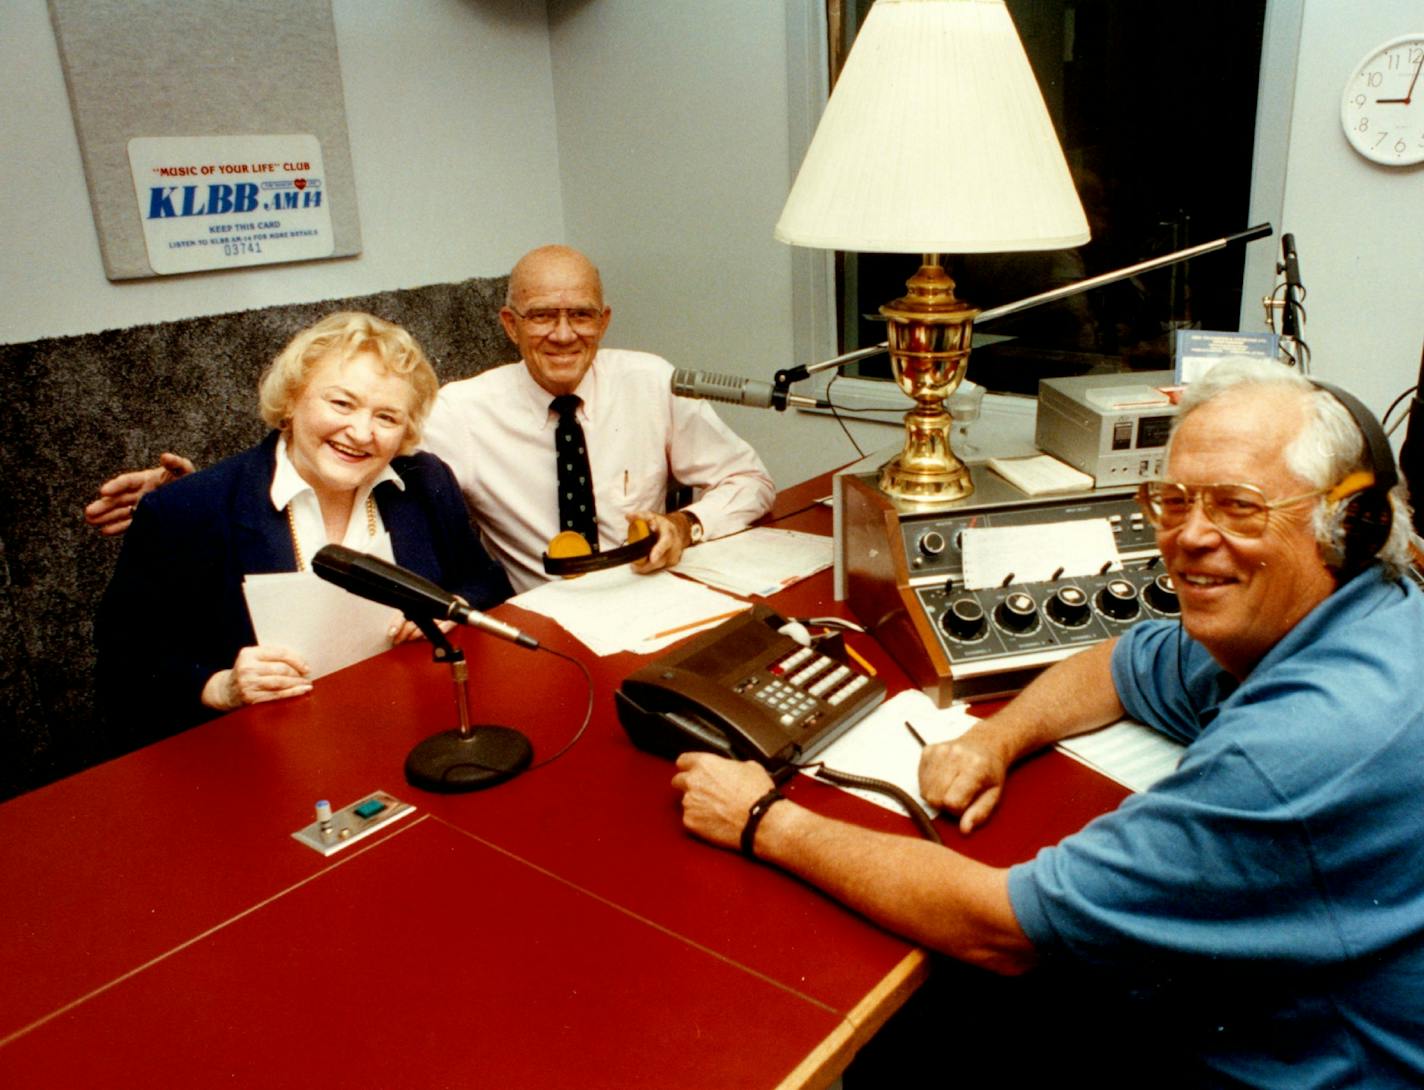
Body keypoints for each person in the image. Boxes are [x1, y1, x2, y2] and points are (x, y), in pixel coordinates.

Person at [672, 359, 1424, 1087]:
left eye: (1238, 506)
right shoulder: (1363, 611)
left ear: (1347, 524)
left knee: (912, 1044)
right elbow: (1126, 660)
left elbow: (998, 931)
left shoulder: (1300, 746)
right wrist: (993, 737)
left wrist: (764, 820)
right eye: (1173, 499)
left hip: (1303, 1061)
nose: (1189, 537)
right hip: (1280, 1006)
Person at [85, 245, 776, 593]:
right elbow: (336, 455)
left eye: (581, 314)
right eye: (541, 315)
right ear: (510, 324)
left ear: (604, 320)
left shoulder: (652, 380)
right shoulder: (456, 412)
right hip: (541, 611)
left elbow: (750, 480)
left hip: (656, 596)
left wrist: (686, 523)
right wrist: (189, 495)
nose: (563, 334)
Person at [95, 312, 512, 744]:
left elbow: (485, 578)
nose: (361, 432)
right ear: (292, 400)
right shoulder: (188, 509)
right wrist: (221, 687)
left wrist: (451, 606)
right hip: (264, 751)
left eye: (387, 417)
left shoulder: (424, 480)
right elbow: (123, 661)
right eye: (341, 404)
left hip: (409, 724)